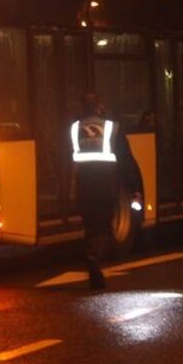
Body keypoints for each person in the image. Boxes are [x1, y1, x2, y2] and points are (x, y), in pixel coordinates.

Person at [69, 93, 142, 289]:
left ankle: (95, 274)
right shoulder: (112, 128)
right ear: (100, 107)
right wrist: (134, 188)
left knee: (90, 227)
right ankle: (93, 258)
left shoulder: (75, 129)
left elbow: (70, 159)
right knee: (103, 228)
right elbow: (126, 160)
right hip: (105, 187)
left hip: (84, 187)